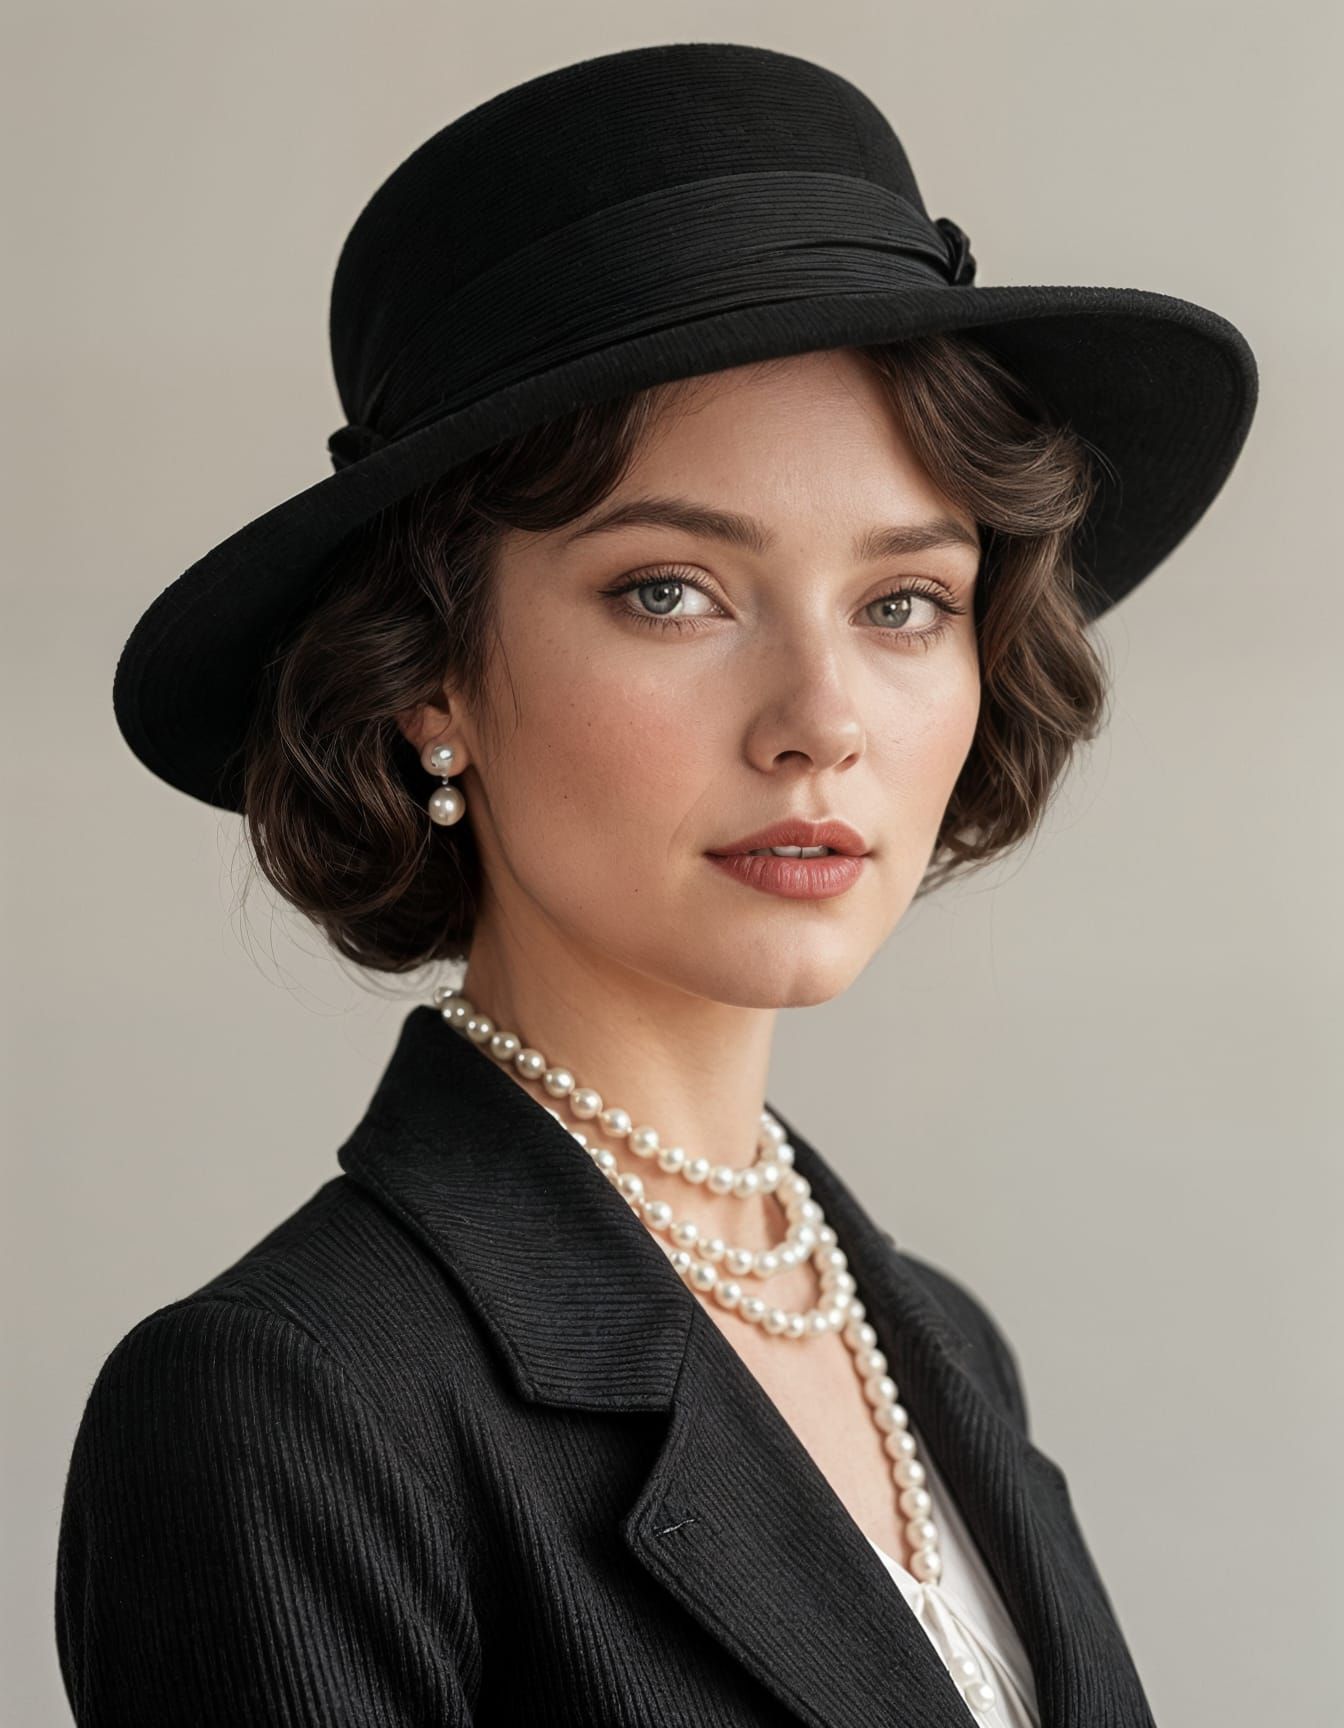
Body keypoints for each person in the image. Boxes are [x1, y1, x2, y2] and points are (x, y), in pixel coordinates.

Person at [54, 40, 1257, 1728]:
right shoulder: (286, 1407)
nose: (819, 723)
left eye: (902, 602)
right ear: (431, 677)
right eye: (674, 592)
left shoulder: (937, 1348)